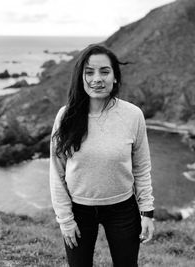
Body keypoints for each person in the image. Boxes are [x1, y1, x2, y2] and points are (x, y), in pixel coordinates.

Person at [49, 44, 154, 267]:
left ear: (115, 77)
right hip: (78, 210)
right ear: (81, 77)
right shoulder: (65, 116)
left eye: (104, 71)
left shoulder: (133, 115)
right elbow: (57, 171)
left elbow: (142, 167)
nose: (97, 79)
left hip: (123, 209)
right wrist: (65, 220)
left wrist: (147, 213)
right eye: (89, 72)